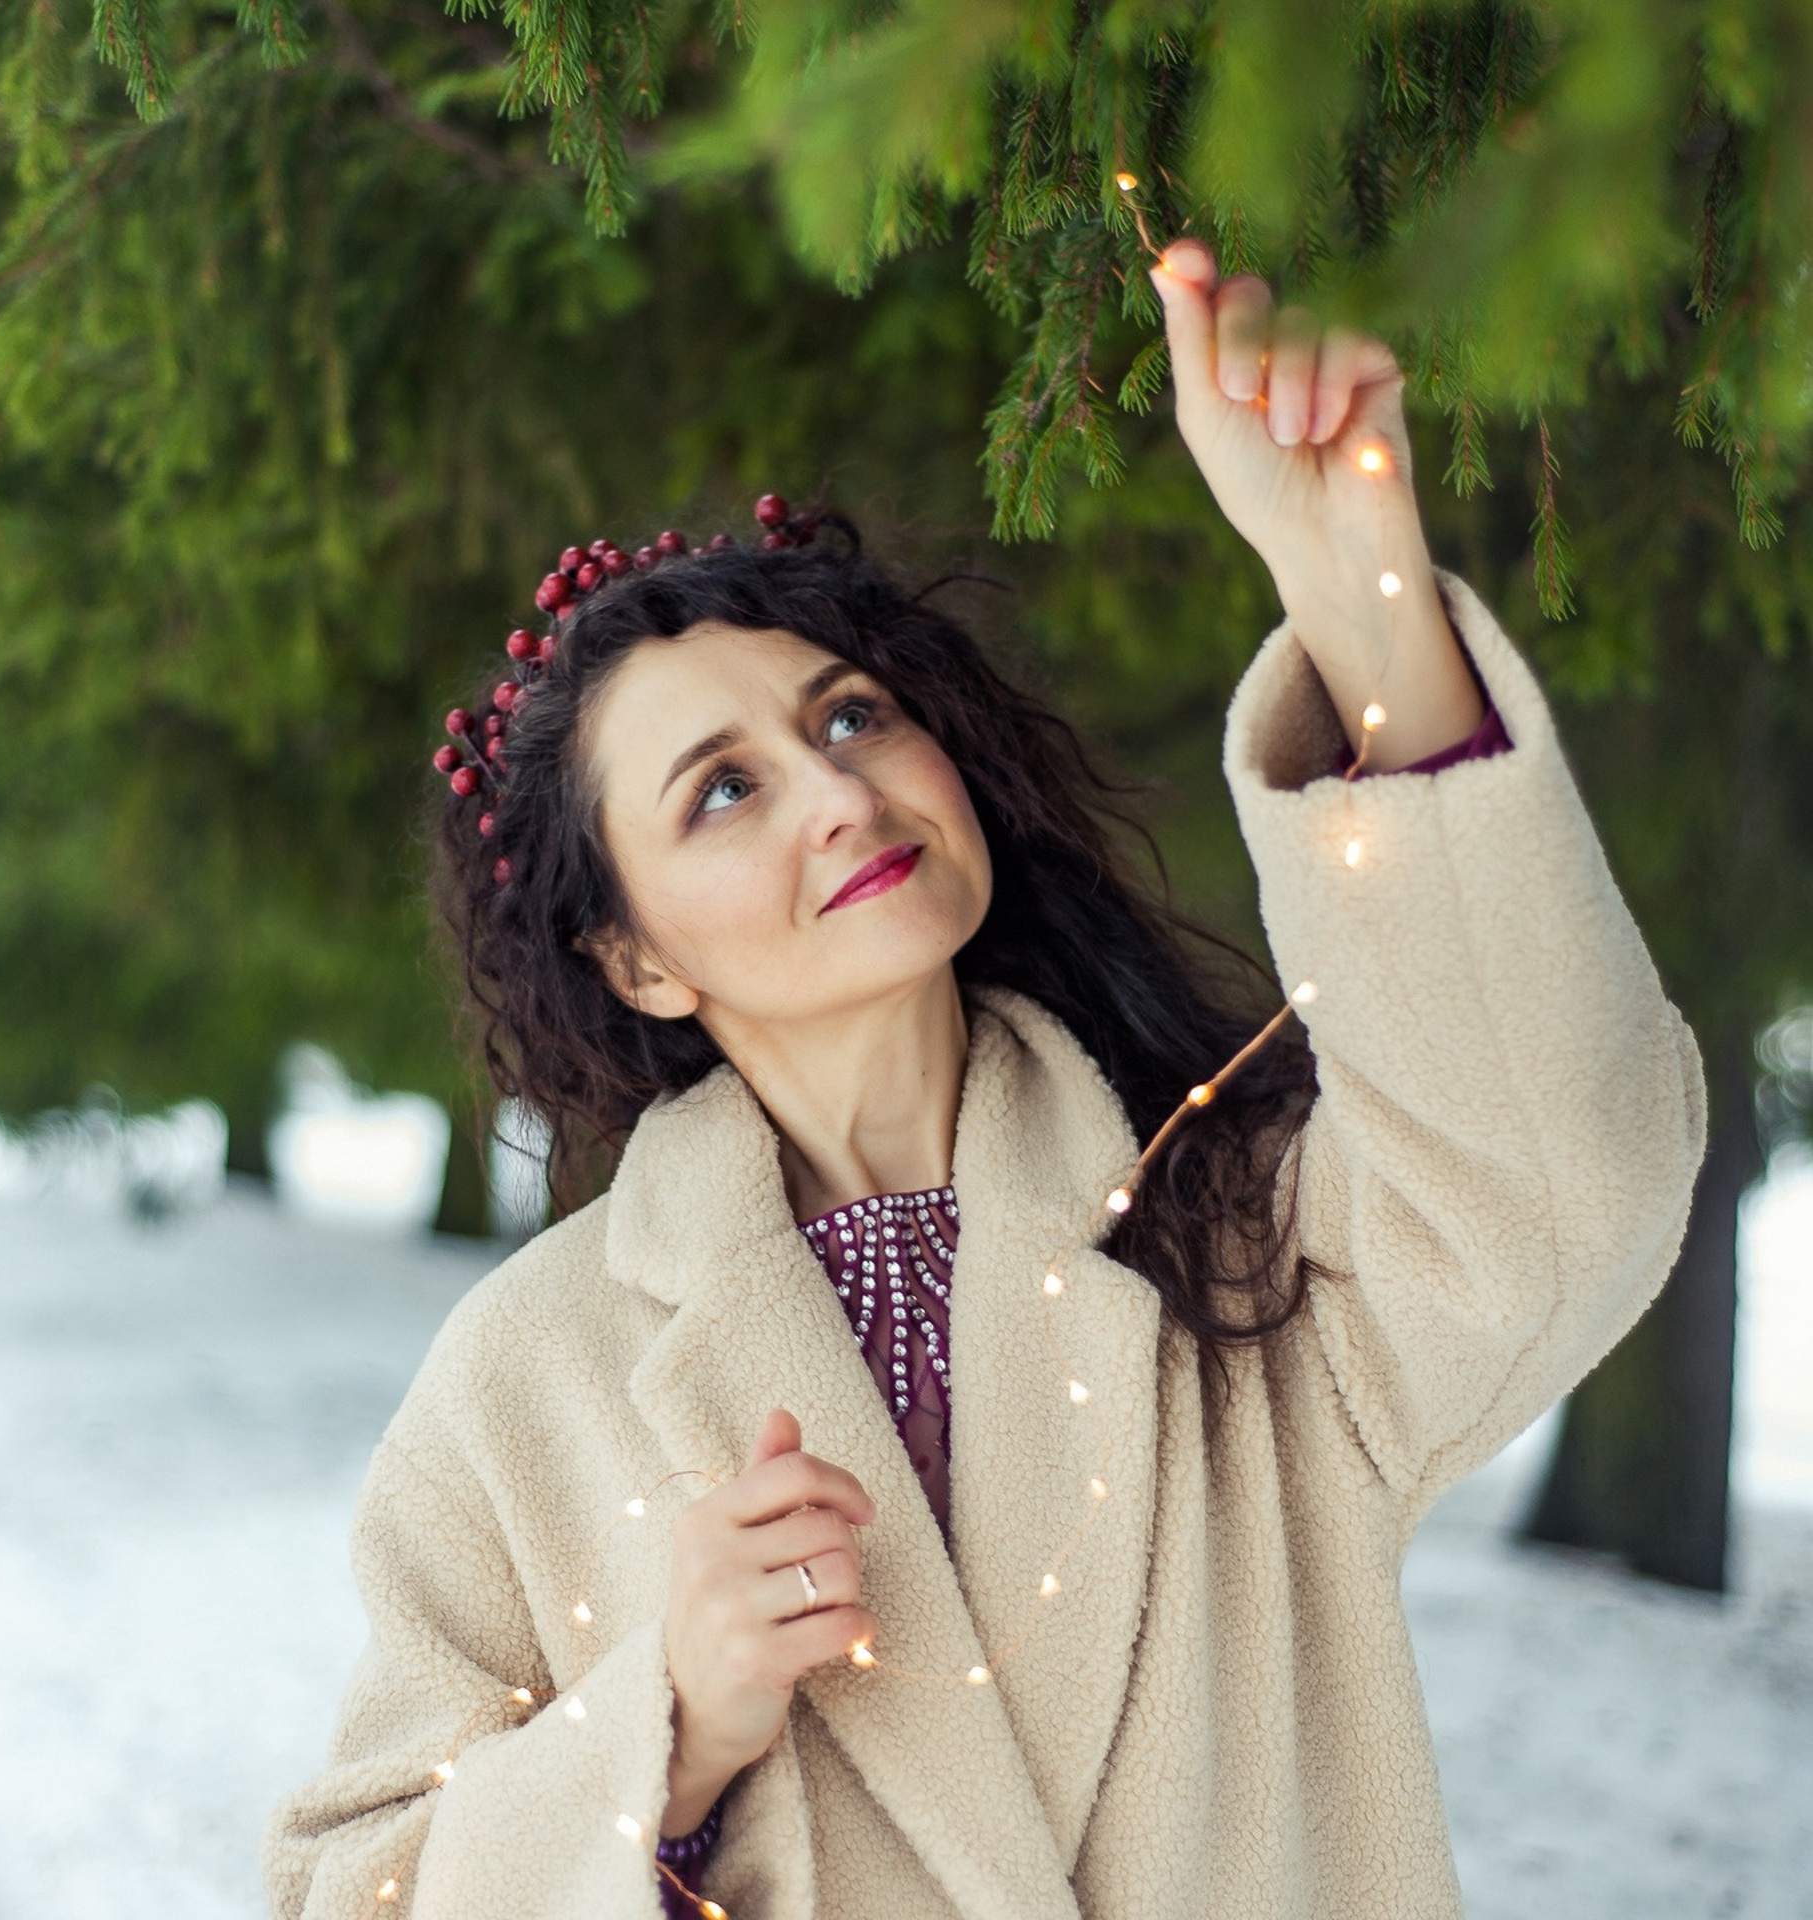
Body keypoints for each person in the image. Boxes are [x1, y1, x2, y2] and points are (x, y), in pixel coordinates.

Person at [263, 240, 1706, 1920]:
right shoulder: (528, 1381)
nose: (832, 791)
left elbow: (1566, 1178)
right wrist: (671, 1726)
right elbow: (355, 1889)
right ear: (637, 960)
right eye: (722, 792)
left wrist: (1355, 583)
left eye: (852, 717)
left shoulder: (1236, 1236)